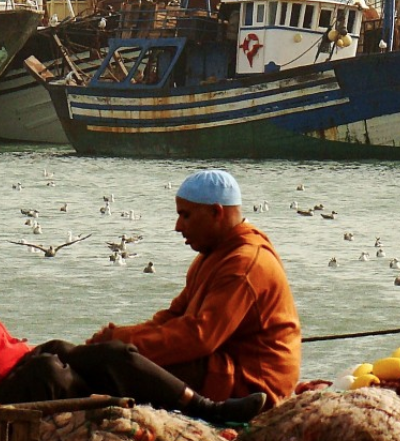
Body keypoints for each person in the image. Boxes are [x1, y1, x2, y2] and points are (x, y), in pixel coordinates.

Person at [0, 197, 266, 423]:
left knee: (114, 352)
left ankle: (209, 409)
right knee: (53, 375)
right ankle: (114, 411)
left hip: (20, 360)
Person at [89, 170, 300, 406]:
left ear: (216, 212)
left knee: (125, 367)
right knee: (113, 359)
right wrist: (116, 339)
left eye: (185, 216)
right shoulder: (212, 254)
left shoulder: (244, 263)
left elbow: (200, 338)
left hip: (254, 384)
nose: (178, 227)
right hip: (220, 363)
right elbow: (172, 318)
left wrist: (121, 345)